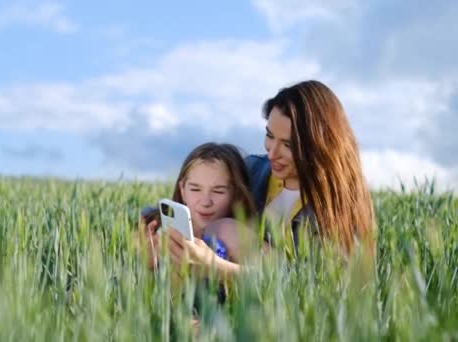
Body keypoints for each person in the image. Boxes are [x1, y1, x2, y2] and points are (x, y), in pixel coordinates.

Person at [165, 80, 376, 279]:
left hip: (281, 310)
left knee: (227, 229)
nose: (272, 153)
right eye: (269, 135)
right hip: (222, 298)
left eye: (288, 145)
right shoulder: (253, 170)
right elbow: (200, 202)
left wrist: (219, 269)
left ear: (319, 146)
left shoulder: (340, 206)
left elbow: (313, 289)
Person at [137, 142, 256, 270]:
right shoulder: (151, 226)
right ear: (182, 189)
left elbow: (271, 278)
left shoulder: (236, 235)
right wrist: (147, 265)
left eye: (218, 191)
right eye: (195, 189)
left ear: (236, 195)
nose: (205, 202)